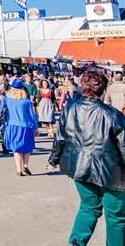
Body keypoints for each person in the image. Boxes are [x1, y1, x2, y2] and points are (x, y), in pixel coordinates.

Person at [49, 70, 125, 246]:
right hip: (111, 173)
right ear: (103, 89)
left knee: (88, 208)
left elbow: (60, 137)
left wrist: (53, 159)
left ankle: (76, 242)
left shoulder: (70, 108)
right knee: (116, 216)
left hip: (80, 167)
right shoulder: (113, 115)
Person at [2, 78, 38, 176]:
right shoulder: (26, 101)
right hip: (26, 126)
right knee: (27, 147)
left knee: (16, 148)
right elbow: (32, 115)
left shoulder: (7, 99)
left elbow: (1, 111)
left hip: (12, 125)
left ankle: (19, 170)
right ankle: (25, 165)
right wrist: (36, 127)